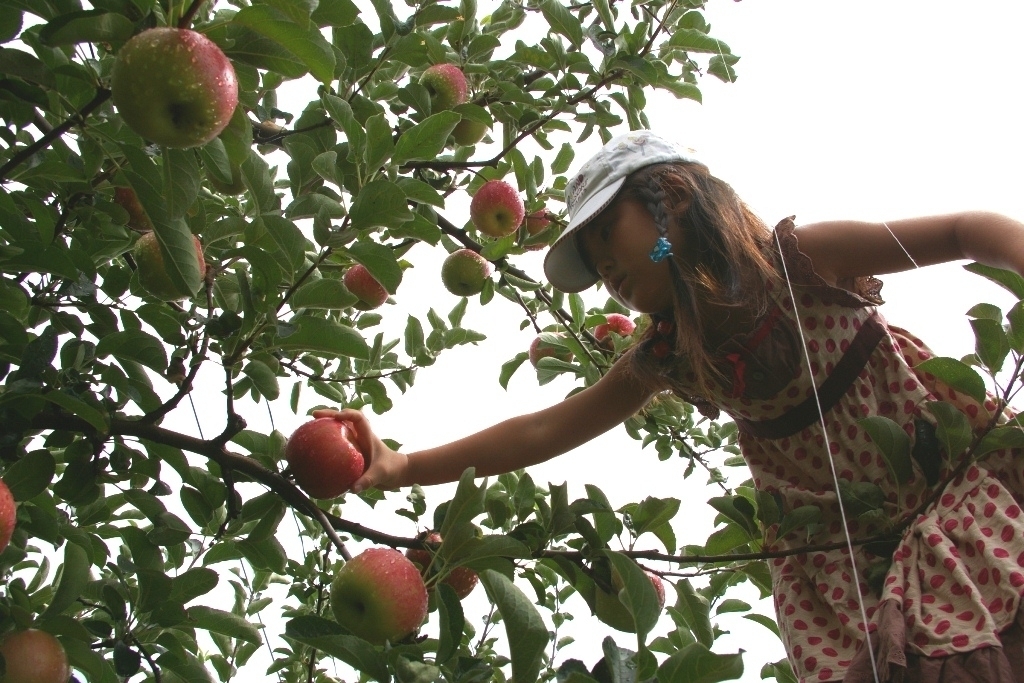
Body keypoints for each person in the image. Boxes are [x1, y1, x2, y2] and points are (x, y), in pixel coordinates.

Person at [316, 131, 1024, 683]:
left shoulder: (800, 261)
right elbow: (546, 426)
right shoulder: (666, 355)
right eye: (594, 267)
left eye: (605, 238)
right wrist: (402, 464)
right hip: (849, 562)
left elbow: (966, 229)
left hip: (949, 481)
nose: (606, 274)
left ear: (675, 195)